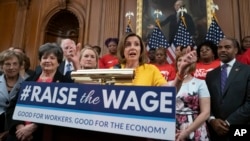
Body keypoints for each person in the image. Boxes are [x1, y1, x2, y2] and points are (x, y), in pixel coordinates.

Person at [7, 43, 73, 141]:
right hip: (19, 134)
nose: (48, 61)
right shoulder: (29, 80)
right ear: (40, 60)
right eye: (44, 57)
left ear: (58, 62)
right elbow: (13, 105)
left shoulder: (65, 82)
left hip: (44, 134)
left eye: (52, 58)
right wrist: (19, 126)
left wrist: (34, 126)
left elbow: (63, 112)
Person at [206, 37, 250, 141]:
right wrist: (212, 120)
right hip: (215, 129)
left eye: (227, 47)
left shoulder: (247, 71)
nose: (223, 50)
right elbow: (206, 101)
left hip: (240, 128)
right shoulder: (211, 75)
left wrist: (229, 122)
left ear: (235, 50)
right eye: (220, 47)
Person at [171, 54, 210, 141]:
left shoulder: (200, 83)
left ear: (192, 63)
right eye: (179, 60)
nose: (182, 63)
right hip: (172, 129)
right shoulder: (169, 84)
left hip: (194, 128)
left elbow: (206, 112)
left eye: (185, 60)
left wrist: (187, 132)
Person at [0, 49, 24, 140]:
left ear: (20, 66)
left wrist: (7, 132)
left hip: (15, 131)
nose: (11, 67)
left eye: (15, 64)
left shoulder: (27, 84)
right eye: (7, 64)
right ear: (2, 66)